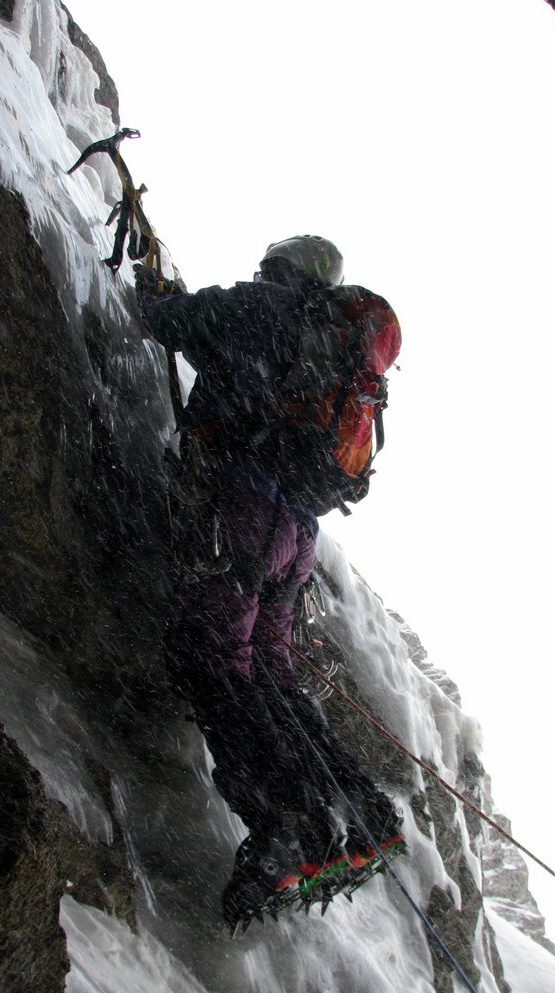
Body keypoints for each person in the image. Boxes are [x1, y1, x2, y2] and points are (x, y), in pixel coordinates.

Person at [135, 235, 403, 925]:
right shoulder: (335, 348)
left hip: (242, 511)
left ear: (279, 269)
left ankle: (285, 824)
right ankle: (364, 810)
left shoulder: (260, 306)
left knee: (214, 661)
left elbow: (167, 321)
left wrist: (159, 292)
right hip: (297, 535)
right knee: (272, 674)